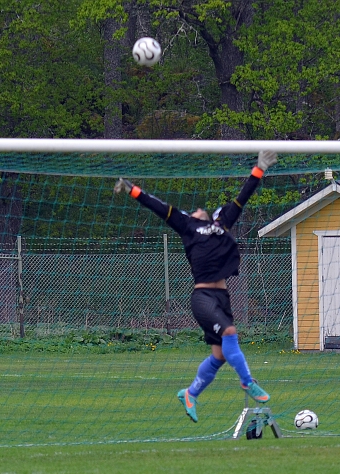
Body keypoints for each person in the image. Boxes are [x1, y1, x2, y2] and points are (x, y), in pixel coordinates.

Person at [114, 151, 279, 423]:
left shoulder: (221, 222)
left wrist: (259, 168)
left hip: (222, 296)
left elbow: (243, 197)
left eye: (200, 209)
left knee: (219, 354)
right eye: (194, 210)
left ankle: (190, 394)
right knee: (229, 331)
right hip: (202, 296)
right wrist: (133, 190)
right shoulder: (187, 225)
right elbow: (157, 205)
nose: (197, 209)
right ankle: (248, 382)